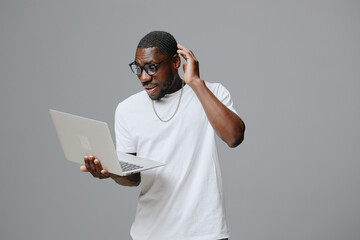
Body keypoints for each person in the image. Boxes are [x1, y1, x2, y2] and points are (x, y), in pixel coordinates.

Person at [80, 31, 245, 240]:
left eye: (152, 67)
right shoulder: (127, 109)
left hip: (205, 232)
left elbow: (234, 137)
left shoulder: (211, 93)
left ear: (176, 62)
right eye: (138, 69)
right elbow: (133, 179)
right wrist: (109, 171)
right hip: (150, 233)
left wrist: (195, 82)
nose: (144, 77)